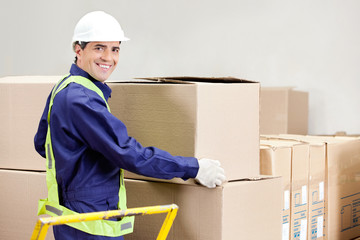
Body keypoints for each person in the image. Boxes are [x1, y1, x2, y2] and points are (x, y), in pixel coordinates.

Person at [34, 11, 226, 240]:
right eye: (99, 48)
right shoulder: (82, 99)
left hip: (74, 217)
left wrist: (81, 164)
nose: (108, 57)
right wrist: (194, 168)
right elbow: (128, 153)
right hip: (91, 221)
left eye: (115, 49)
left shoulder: (64, 87)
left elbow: (41, 143)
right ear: (78, 50)